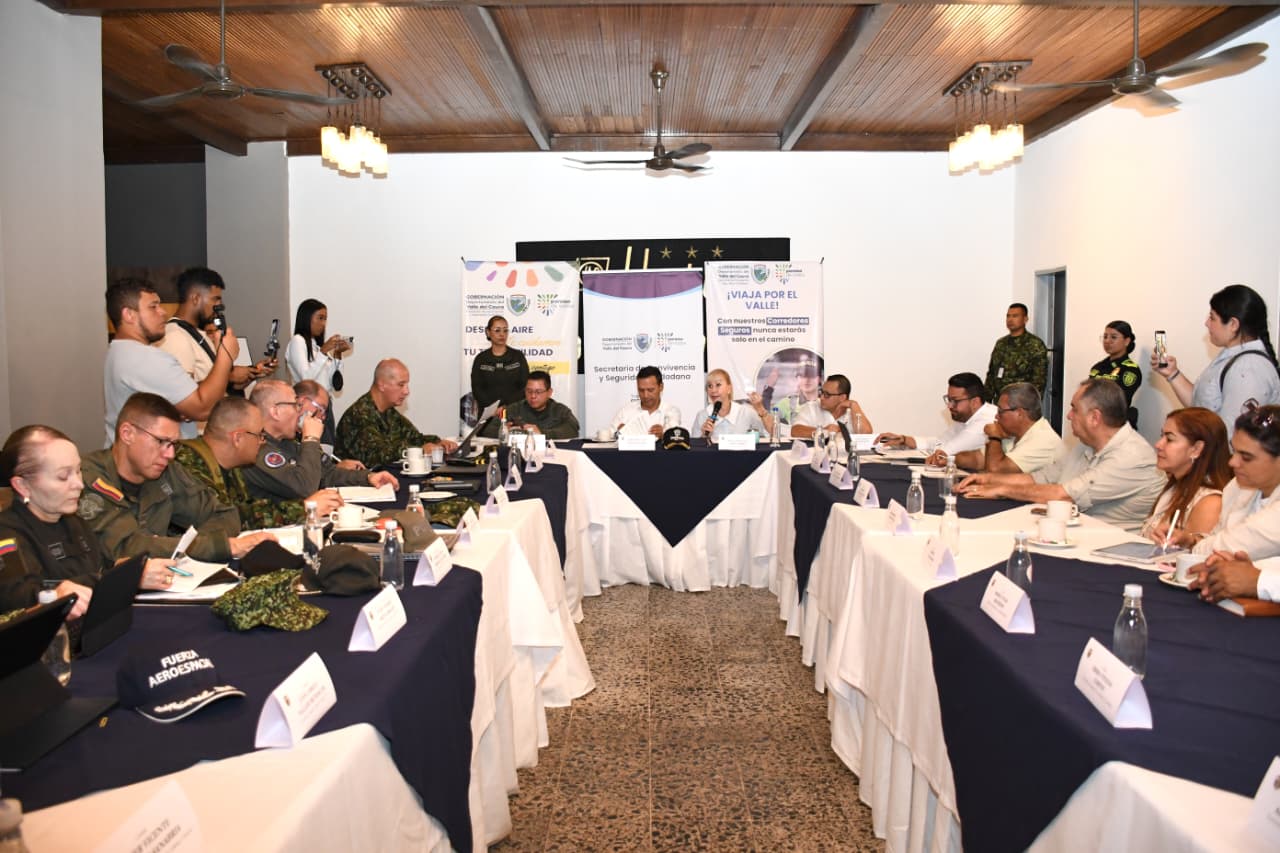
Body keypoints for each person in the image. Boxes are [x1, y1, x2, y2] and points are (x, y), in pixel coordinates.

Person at [79, 393, 274, 563]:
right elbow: (127, 547)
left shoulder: (165, 472)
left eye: (173, 444)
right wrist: (219, 546)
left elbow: (223, 514)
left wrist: (190, 548)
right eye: (162, 442)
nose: (170, 454)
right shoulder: (88, 478)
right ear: (127, 434)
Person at [0, 426, 174, 615]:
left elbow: (94, 569)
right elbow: (20, 596)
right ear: (23, 485)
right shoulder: (7, 533)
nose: (79, 485)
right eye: (63, 476)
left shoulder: (73, 521)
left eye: (78, 471)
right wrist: (123, 578)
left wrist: (121, 569)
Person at [956, 379, 1165, 529]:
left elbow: (1064, 495)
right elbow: (1042, 477)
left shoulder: (1131, 456)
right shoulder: (1086, 444)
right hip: (1076, 535)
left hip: (1111, 551)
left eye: (1074, 409)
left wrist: (1002, 489)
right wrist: (988, 478)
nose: (1068, 415)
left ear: (1095, 417)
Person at [103, 277, 240, 445]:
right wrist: (225, 354)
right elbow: (203, 408)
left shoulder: (119, 351)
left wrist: (179, 408)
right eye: (153, 307)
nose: (163, 312)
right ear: (129, 315)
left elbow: (176, 402)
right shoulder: (144, 358)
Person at [174, 397, 344, 530]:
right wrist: (305, 508)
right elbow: (224, 520)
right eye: (258, 435)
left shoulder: (234, 468)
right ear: (238, 438)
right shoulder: (188, 464)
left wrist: (305, 508)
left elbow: (251, 511)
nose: (262, 442)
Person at [1150, 284, 1280, 437]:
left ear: (1233, 324)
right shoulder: (1231, 356)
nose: (1207, 323)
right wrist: (1172, 374)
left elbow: (1232, 435)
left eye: (1212, 318)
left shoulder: (1248, 368)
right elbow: (1201, 407)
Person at [242, 380, 396, 504]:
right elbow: (304, 488)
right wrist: (311, 439)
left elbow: (327, 474)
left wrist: (367, 477)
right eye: (295, 405)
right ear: (275, 411)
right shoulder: (256, 449)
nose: (299, 411)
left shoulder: (286, 442)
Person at [158, 267, 275, 392]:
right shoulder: (175, 336)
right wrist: (228, 375)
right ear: (195, 298)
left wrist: (251, 373)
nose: (219, 305)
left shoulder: (198, 334)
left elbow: (221, 388)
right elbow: (184, 396)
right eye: (215, 299)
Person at [336, 359, 458, 468]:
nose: (406, 391)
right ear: (382, 385)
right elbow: (376, 456)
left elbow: (414, 438)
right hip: (357, 486)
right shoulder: (360, 414)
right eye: (401, 385)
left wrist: (438, 442)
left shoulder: (388, 411)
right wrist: (420, 451)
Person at [1138, 407, 1230, 542]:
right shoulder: (1175, 487)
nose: (1158, 445)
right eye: (1161, 436)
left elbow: (1195, 559)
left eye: (1169, 439)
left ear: (1196, 449)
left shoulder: (1209, 503)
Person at [877, 372, 997, 466]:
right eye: (949, 399)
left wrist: (927, 447)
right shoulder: (966, 417)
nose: (950, 406)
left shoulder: (985, 421)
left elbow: (944, 453)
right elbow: (940, 442)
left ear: (975, 402)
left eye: (955, 401)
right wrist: (905, 440)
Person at [952, 382, 1063, 474]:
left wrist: (994, 437)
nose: (996, 416)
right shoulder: (1012, 434)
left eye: (1001, 411)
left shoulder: (1043, 440)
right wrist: (949, 459)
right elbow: (978, 460)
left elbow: (995, 471)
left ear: (1019, 413)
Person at [286, 299, 352, 444]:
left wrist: (337, 355)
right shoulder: (298, 341)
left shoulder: (316, 346)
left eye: (325, 319)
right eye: (320, 318)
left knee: (327, 449)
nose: (323, 324)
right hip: (310, 407)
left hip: (325, 405)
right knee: (315, 448)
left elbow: (334, 384)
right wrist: (323, 352)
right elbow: (306, 377)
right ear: (307, 317)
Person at [482, 370, 580, 439]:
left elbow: (573, 429)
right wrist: (504, 431)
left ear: (549, 392)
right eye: (529, 391)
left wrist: (542, 433)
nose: (533, 396)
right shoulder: (513, 409)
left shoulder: (560, 410)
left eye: (538, 392)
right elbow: (487, 430)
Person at [295, 380, 366, 470]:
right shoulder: (284, 435)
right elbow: (301, 478)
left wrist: (368, 476)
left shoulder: (299, 434)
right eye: (321, 409)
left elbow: (322, 470)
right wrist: (310, 439)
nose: (323, 417)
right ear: (302, 402)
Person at [984, 303, 1048, 401]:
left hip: (1021, 403)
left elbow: (1039, 380)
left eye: (1015, 316)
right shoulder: (1001, 343)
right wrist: (986, 401)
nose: (1010, 320)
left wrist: (1030, 406)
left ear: (1025, 319)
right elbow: (992, 374)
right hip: (1000, 402)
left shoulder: (1035, 345)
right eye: (1008, 316)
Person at [1088, 320, 1142, 426]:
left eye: (1113, 337)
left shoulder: (1130, 370)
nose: (1107, 341)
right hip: (1096, 421)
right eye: (1105, 337)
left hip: (1116, 423)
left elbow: (1119, 399)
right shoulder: (1098, 367)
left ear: (1126, 341)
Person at [471, 315, 529, 411]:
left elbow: (525, 386)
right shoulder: (480, 359)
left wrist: (506, 407)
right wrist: (493, 408)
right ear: (488, 332)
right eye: (497, 330)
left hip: (514, 411)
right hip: (488, 412)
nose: (502, 334)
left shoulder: (518, 357)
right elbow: (477, 389)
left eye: (505, 330)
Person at [691, 369, 770, 440]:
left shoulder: (746, 412)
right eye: (710, 386)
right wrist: (704, 436)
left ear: (729, 389)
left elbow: (770, 435)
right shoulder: (702, 415)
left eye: (718, 385)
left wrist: (761, 409)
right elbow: (694, 449)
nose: (713, 390)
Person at [789, 374, 873, 439]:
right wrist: (823, 431)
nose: (821, 397)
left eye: (827, 395)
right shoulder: (812, 407)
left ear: (842, 398)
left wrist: (854, 404)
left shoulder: (853, 412)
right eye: (822, 392)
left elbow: (866, 436)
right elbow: (795, 431)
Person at [609, 366, 681, 438]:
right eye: (641, 390)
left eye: (650, 390)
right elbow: (609, 436)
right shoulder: (625, 411)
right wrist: (619, 433)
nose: (645, 395)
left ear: (661, 387)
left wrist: (664, 434)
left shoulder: (672, 411)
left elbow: (674, 435)